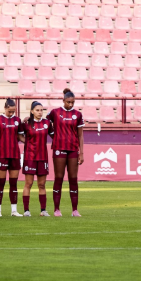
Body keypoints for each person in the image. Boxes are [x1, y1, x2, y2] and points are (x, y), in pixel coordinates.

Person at [47, 89, 85, 217]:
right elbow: (44, 122)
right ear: (63, 100)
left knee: (73, 179)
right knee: (59, 178)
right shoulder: (55, 112)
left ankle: (75, 210)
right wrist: (29, 119)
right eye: (68, 102)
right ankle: (56, 209)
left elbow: (80, 135)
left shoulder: (78, 115)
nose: (70, 104)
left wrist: (82, 153)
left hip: (73, 149)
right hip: (59, 148)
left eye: (72, 102)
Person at [0, 98, 23, 217]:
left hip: (14, 154)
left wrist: (31, 142)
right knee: (1, 182)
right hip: (2, 154)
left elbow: (20, 137)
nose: (11, 113)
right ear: (5, 108)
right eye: (10, 111)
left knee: (13, 183)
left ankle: (14, 210)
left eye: (13, 111)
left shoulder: (17, 120)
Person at [21, 101, 52, 217]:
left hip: (43, 157)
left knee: (42, 185)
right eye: (37, 110)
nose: (40, 112)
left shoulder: (47, 123)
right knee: (28, 183)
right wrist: (27, 143)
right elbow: (19, 135)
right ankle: (26, 211)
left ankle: (43, 210)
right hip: (30, 157)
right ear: (32, 111)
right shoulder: (26, 124)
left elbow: (54, 135)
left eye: (41, 110)